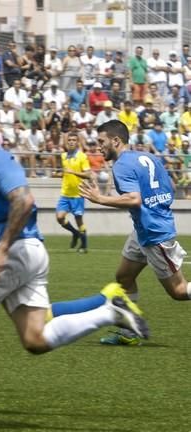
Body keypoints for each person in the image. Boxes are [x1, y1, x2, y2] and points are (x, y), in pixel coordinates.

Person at [0, 89, 148, 426]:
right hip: (28, 251)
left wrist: (2, 248)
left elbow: (24, 200)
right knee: (35, 339)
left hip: (13, 251)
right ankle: (109, 311)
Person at [80, 120, 191, 345]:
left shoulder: (121, 165)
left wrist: (100, 198)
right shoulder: (148, 156)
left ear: (116, 140)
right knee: (124, 276)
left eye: (101, 142)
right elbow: (168, 184)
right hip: (144, 230)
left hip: (155, 234)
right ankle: (130, 333)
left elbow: (134, 199)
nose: (98, 147)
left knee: (179, 291)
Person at [56, 133, 91, 253]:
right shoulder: (63, 156)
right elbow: (65, 172)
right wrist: (59, 174)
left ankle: (84, 246)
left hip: (78, 194)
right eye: (69, 140)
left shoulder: (82, 156)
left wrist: (73, 172)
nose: (71, 142)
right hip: (65, 193)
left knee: (78, 220)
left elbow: (88, 174)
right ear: (66, 142)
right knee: (59, 217)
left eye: (73, 140)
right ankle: (75, 233)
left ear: (77, 142)